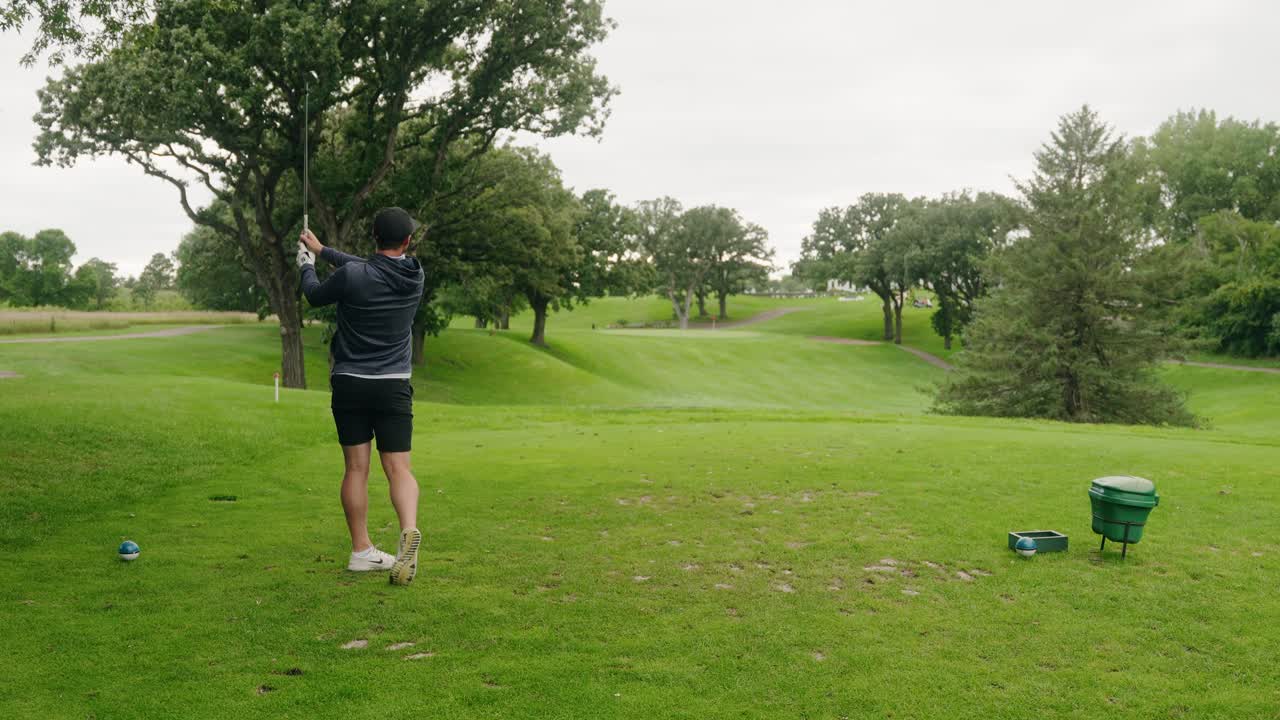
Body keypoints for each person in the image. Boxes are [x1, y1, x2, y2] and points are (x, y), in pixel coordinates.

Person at [297, 207, 426, 586]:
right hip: (394, 384)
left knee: (356, 468)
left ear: (374, 237)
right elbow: (367, 268)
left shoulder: (353, 276)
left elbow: (315, 295)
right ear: (406, 242)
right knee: (398, 468)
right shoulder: (415, 275)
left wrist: (307, 263)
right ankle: (409, 529)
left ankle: (361, 552)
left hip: (351, 381)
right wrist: (323, 251)